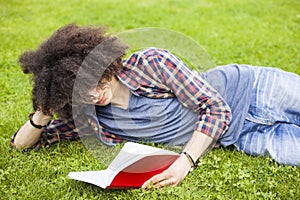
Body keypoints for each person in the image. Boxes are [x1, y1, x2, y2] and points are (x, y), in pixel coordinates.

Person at [11, 24, 300, 188]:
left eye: (95, 81)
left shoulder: (152, 63)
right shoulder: (89, 119)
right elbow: (22, 145)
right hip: (242, 136)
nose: (94, 95)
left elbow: (215, 108)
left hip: (257, 89)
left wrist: (183, 164)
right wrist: (45, 107)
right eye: (80, 93)